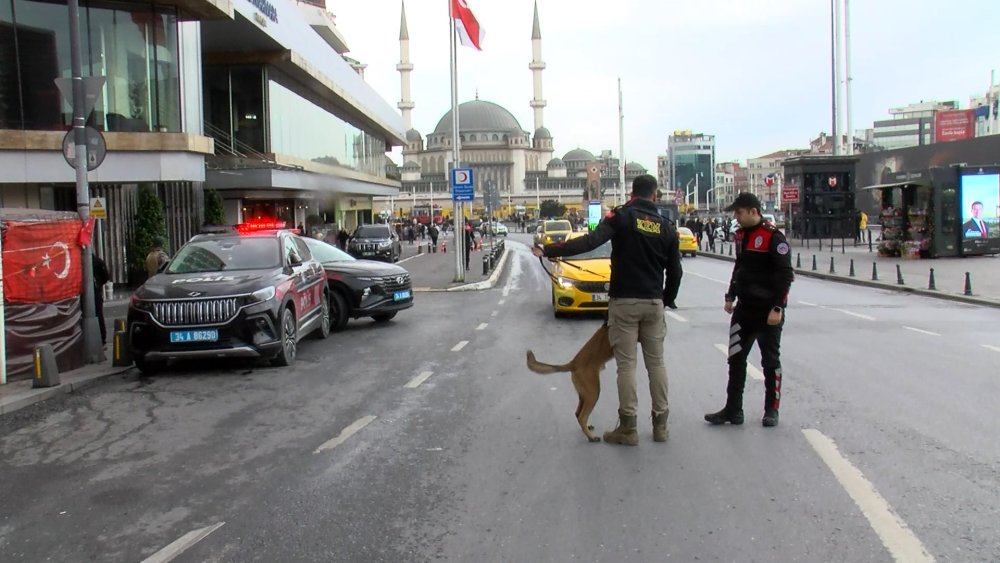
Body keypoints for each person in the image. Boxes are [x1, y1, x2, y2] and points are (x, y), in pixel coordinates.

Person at [533, 174, 683, 445]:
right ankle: (661, 426)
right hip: (653, 302)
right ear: (655, 195)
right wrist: (666, 299)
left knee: (626, 365)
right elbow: (675, 272)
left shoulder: (622, 217)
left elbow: (590, 242)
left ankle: (628, 429)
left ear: (632, 194)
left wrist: (550, 250)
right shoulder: (666, 226)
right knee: (657, 364)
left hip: (625, 301)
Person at [705, 192, 794, 428]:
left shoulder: (774, 238)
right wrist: (730, 295)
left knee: (770, 362)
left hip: (767, 312)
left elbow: (786, 275)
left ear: (753, 211)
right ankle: (733, 410)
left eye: (739, 212)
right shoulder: (742, 236)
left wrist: (778, 307)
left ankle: (771, 410)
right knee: (735, 359)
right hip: (744, 311)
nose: (737, 217)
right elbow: (739, 268)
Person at [93, 253, 110, 345]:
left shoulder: (97, 261)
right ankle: (102, 339)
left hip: (95, 292)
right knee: (99, 315)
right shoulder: (98, 261)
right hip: (96, 291)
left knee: (98, 315)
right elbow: (106, 276)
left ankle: (102, 339)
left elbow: (106, 276)